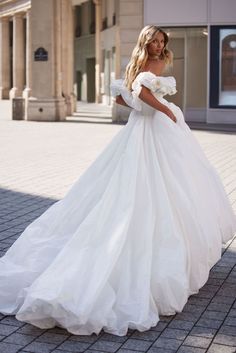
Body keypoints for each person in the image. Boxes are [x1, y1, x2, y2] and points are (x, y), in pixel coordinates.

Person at [0, 25, 235, 337]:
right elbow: (140, 94)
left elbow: (127, 98)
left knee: (168, 182)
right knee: (147, 184)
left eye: (162, 40)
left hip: (151, 129)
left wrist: (149, 105)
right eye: (154, 39)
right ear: (146, 41)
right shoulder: (148, 64)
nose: (159, 44)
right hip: (153, 128)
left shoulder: (144, 63)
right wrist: (164, 109)